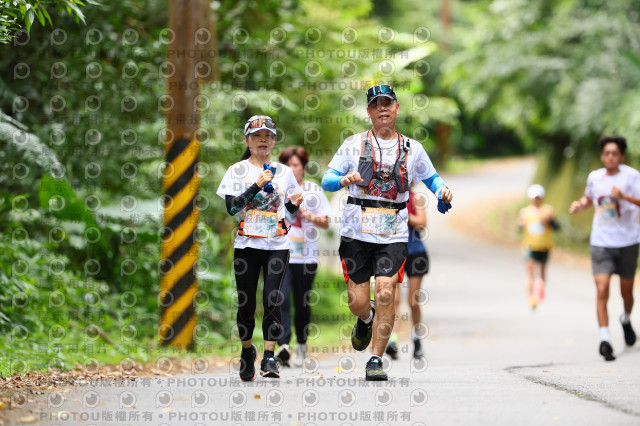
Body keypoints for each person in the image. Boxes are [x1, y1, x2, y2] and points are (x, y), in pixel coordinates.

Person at [321, 84, 453, 381]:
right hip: (356, 232)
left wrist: (442, 191)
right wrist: (344, 180)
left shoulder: (412, 148)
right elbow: (327, 180)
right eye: (376, 104)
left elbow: (432, 178)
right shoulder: (353, 144)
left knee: (385, 292)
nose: (382, 108)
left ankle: (375, 359)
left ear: (396, 108)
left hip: (393, 233)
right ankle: (366, 319)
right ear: (369, 112)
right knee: (357, 302)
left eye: (387, 103)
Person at [216, 115, 303, 380]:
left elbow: (289, 210)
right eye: (257, 136)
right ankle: (247, 352)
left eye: (268, 136)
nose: (263, 140)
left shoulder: (285, 172)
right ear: (247, 140)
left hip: (277, 244)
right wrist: (257, 185)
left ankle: (269, 357)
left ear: (274, 141)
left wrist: (295, 203)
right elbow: (232, 208)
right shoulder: (236, 171)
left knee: (273, 299)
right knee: (246, 303)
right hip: (247, 245)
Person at [569, 135, 640, 361]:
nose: (610, 157)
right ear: (602, 156)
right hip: (601, 241)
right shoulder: (595, 177)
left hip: (628, 240)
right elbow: (588, 198)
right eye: (607, 153)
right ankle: (605, 340)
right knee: (602, 289)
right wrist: (580, 205)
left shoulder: (632, 176)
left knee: (627, 293)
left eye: (615, 153)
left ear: (622, 156)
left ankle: (625, 319)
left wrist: (624, 196)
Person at [274, 146, 331, 367]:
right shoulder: (276, 189)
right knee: (280, 298)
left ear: (304, 167)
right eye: (287, 165)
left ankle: (301, 346)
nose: (292, 169)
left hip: (306, 257)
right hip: (281, 253)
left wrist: (309, 216)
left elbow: (325, 222)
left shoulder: (313, 191)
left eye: (295, 165)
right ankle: (283, 346)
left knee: (302, 303)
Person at [385, 185, 429, 360]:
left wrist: (404, 215)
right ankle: (392, 340)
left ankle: (417, 338)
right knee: (394, 300)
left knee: (413, 301)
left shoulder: (415, 198)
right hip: (394, 253)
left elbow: (422, 223)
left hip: (415, 253)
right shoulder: (387, 198)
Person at [518, 184, 559, 309]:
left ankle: (539, 291)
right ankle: (531, 298)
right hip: (530, 246)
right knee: (530, 272)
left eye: (538, 197)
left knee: (542, 272)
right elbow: (519, 227)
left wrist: (549, 220)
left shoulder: (547, 210)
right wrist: (521, 224)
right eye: (534, 198)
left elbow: (556, 227)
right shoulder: (525, 212)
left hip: (544, 246)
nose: (536, 200)